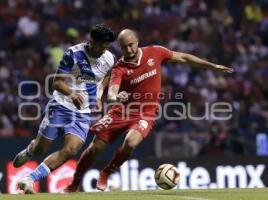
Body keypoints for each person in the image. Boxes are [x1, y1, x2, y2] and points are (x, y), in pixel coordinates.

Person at [65, 29, 234, 192]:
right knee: (95, 148)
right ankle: (75, 182)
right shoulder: (120, 68)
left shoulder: (155, 52)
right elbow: (111, 93)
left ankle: (107, 171)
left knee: (131, 143)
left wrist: (211, 66)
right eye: (124, 47)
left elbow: (183, 57)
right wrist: (117, 97)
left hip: (145, 113)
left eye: (131, 45)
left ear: (137, 41)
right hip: (120, 112)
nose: (128, 50)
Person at [12, 24, 117, 194]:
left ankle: (29, 179)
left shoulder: (109, 58)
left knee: (71, 150)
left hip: (83, 112)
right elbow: (57, 83)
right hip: (61, 105)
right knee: (41, 148)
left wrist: (98, 95)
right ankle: (31, 150)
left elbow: (107, 75)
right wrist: (73, 93)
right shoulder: (73, 54)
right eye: (101, 46)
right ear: (91, 41)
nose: (104, 50)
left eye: (107, 46)